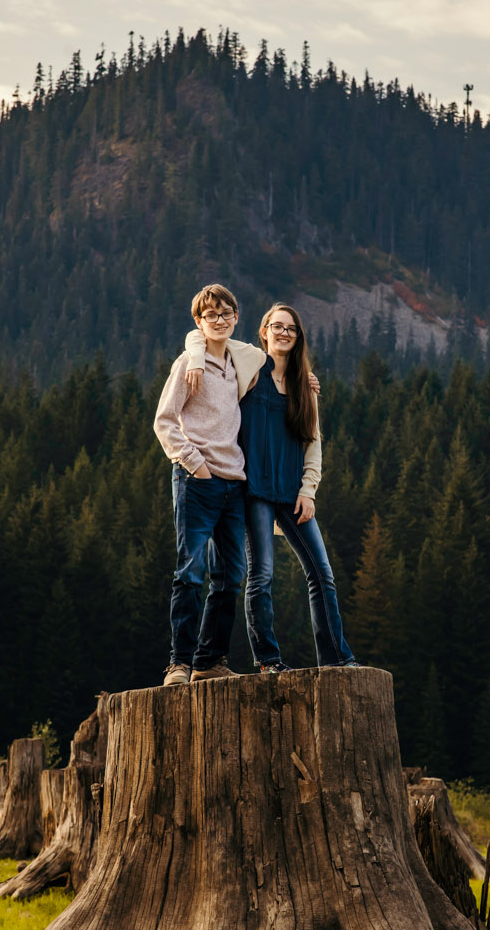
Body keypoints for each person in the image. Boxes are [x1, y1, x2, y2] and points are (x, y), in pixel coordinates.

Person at [184, 302, 356, 671]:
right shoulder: (247, 363)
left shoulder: (303, 384)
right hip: (254, 492)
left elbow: (314, 442)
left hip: (293, 493)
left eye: (290, 329)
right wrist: (197, 360)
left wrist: (309, 490)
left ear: (298, 338)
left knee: (321, 574)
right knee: (261, 576)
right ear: (263, 331)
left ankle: (337, 660)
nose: (283, 333)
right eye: (277, 326)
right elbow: (200, 334)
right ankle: (269, 661)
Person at [152, 284, 249, 686]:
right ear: (199, 321)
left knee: (231, 575)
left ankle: (210, 660)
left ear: (236, 317)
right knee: (190, 572)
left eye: (226, 314)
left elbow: (280, 360)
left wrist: (306, 377)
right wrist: (194, 464)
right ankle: (179, 663)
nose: (220, 321)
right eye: (212, 316)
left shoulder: (238, 363)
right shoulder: (187, 365)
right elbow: (164, 421)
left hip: (234, 484)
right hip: (198, 481)